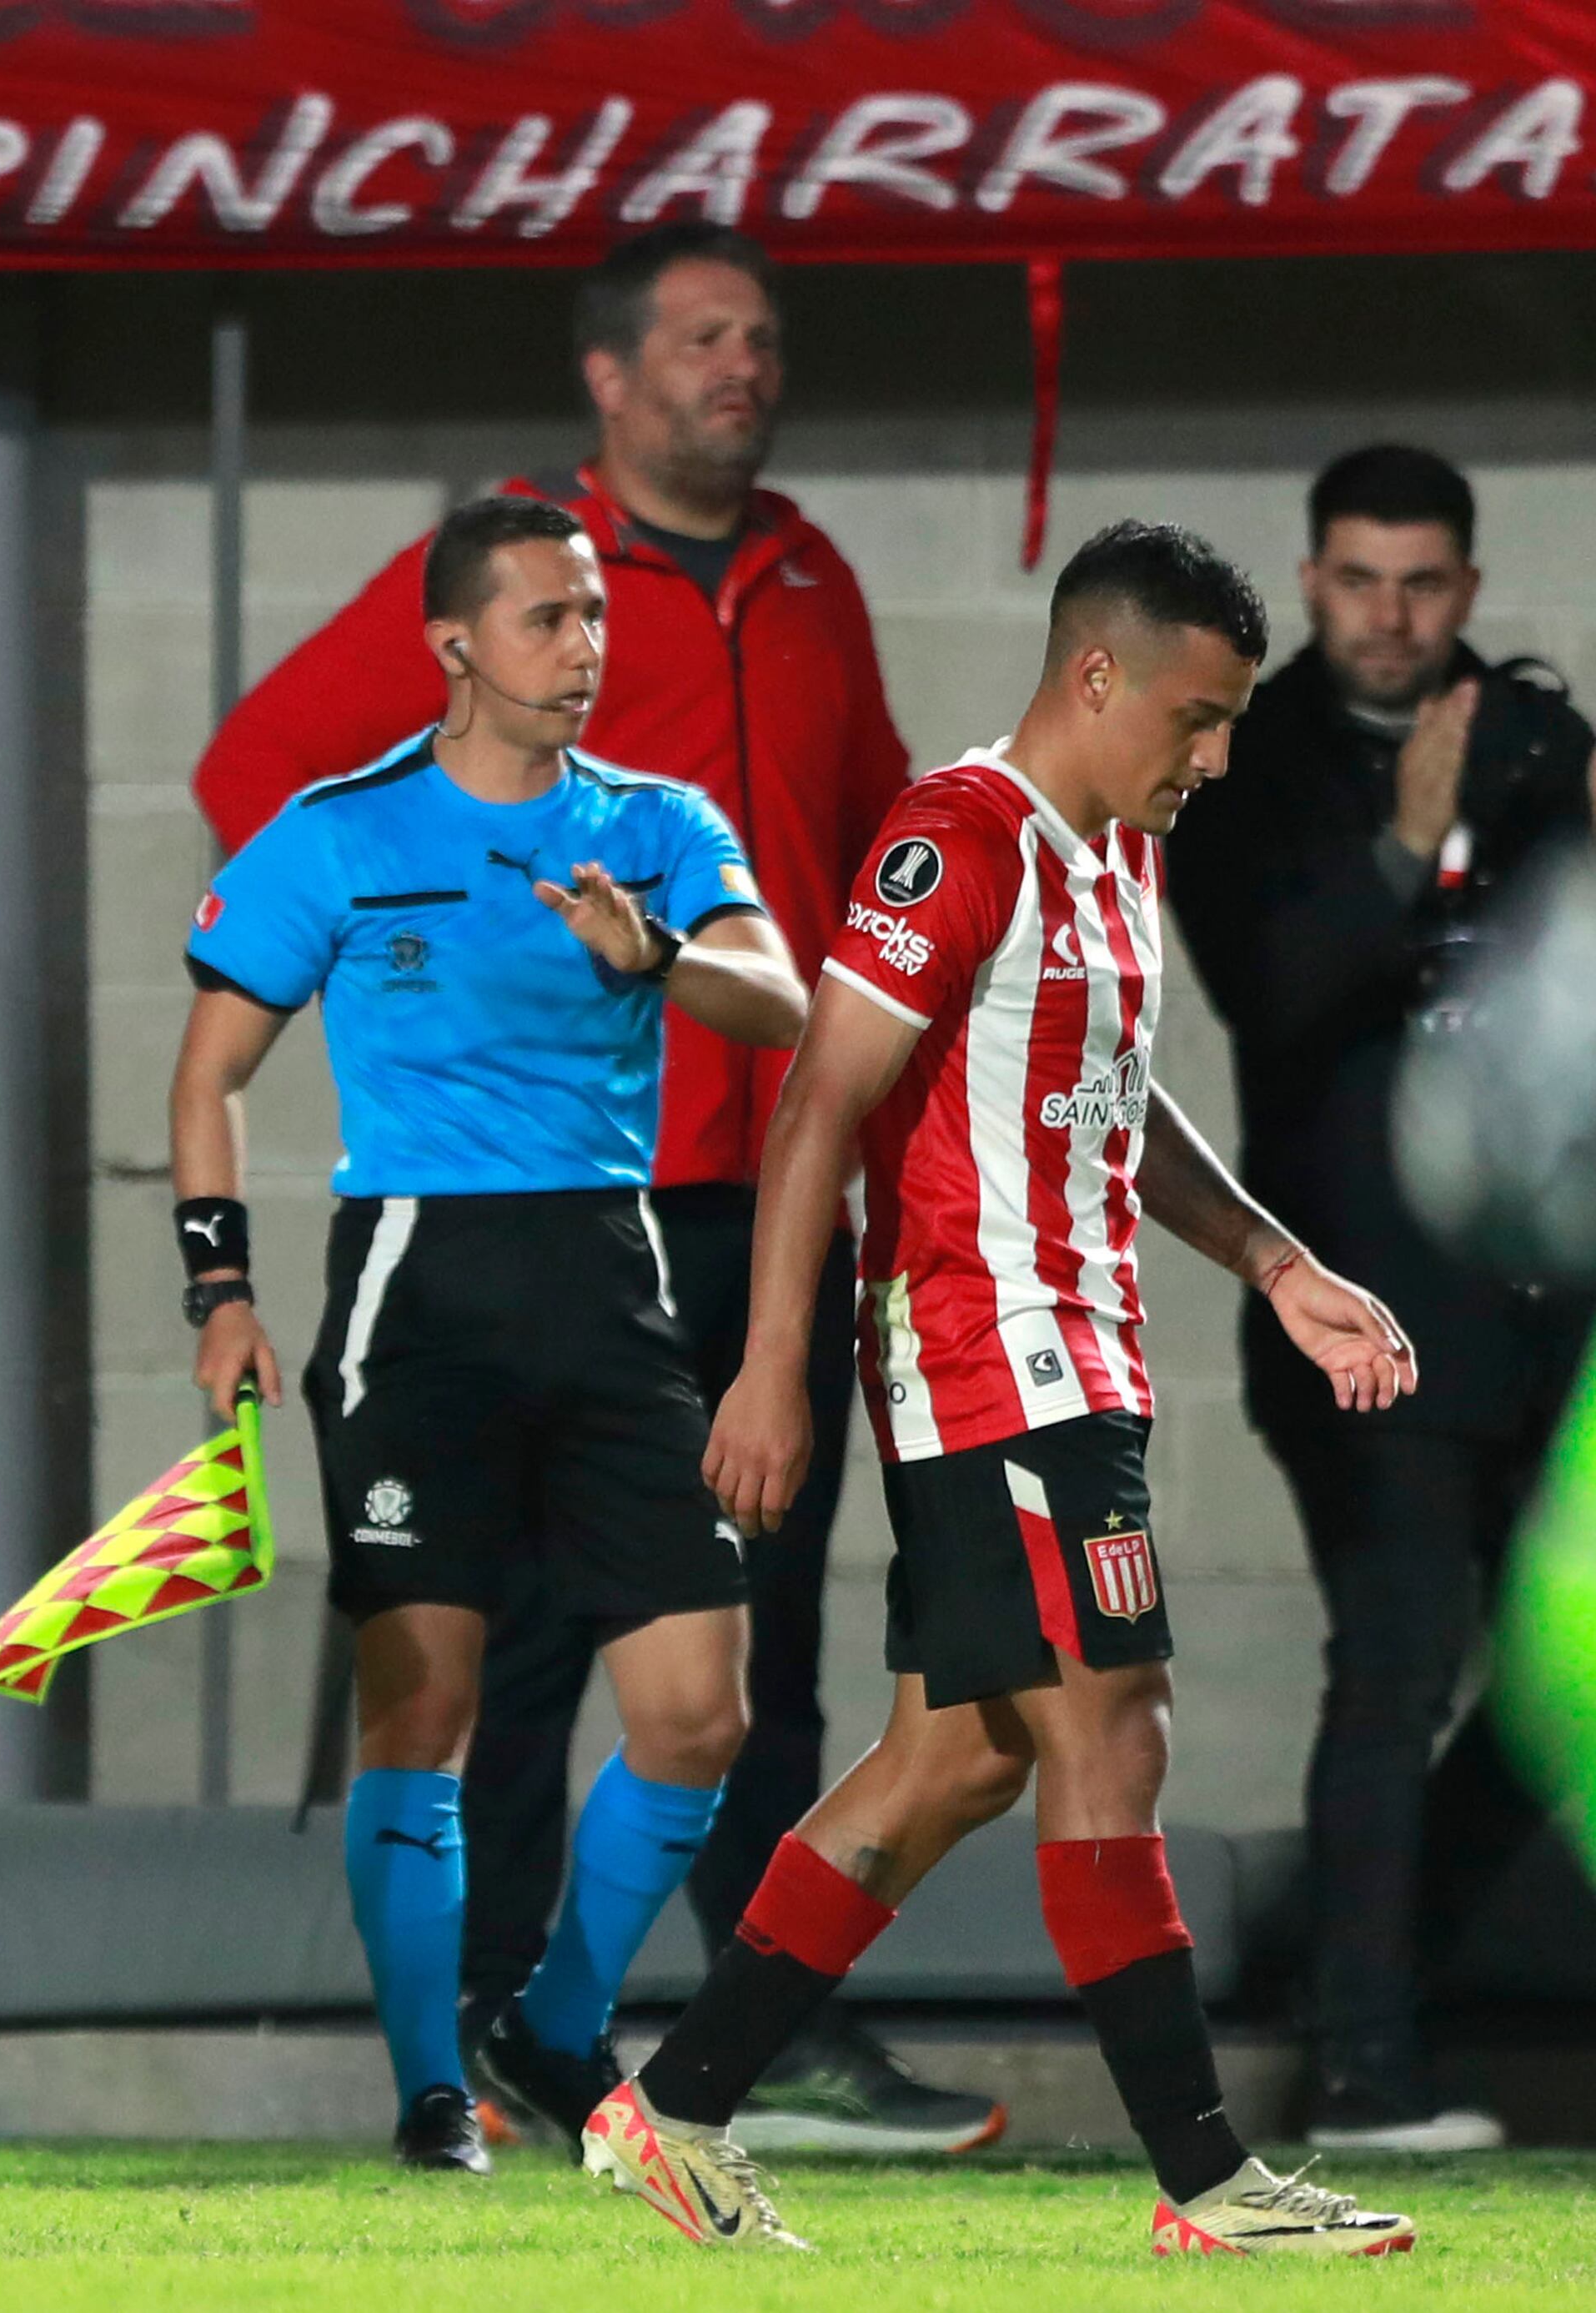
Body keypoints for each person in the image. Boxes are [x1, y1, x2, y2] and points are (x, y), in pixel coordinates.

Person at [190, 221, 992, 2155]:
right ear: (610, 377)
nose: (743, 365)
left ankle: (762, 2035)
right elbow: (263, 777)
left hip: (760, 1207)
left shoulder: (806, 576)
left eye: (763, 337)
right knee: (509, 1658)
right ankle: (482, 2034)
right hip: (534, 1218)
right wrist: (446, 987)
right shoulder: (513, 568)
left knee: (753, 1654)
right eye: (703, 337)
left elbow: (872, 862)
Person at [583, 522, 1421, 2256]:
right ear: (1095, 674)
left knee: (952, 1760)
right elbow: (819, 1102)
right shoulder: (952, 835)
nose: (1213, 759)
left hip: (1076, 1356)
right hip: (989, 1354)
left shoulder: (1116, 852)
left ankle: (673, 2107)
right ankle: (1209, 2180)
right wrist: (770, 1365)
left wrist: (1277, 1263)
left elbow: (1117, 1098)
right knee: (1116, 1725)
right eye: (1196, 718)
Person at [173, 494, 810, 2174]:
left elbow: (783, 998)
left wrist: (655, 955)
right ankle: (429, 2087)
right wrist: (220, 1294)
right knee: (423, 1708)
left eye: (596, 615)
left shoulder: (657, 825)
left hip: (610, 1283)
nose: (585, 647)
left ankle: (551, 2017)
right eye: (549, 617)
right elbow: (208, 1077)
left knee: (700, 1712)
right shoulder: (337, 831)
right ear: (455, 642)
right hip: (415, 1294)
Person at [1162, 445, 1594, 2153]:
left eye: (1422, 584)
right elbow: (1274, 994)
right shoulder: (1244, 762)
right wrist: (1410, 834)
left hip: (1542, 1305)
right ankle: (1359, 2065)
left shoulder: (1537, 741)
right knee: (1397, 1657)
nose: (1392, 615)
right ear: (1312, 580)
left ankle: (1356, 1955)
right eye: (1359, 580)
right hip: (1355, 1309)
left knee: (1554, 1695)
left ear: (1466, 588)